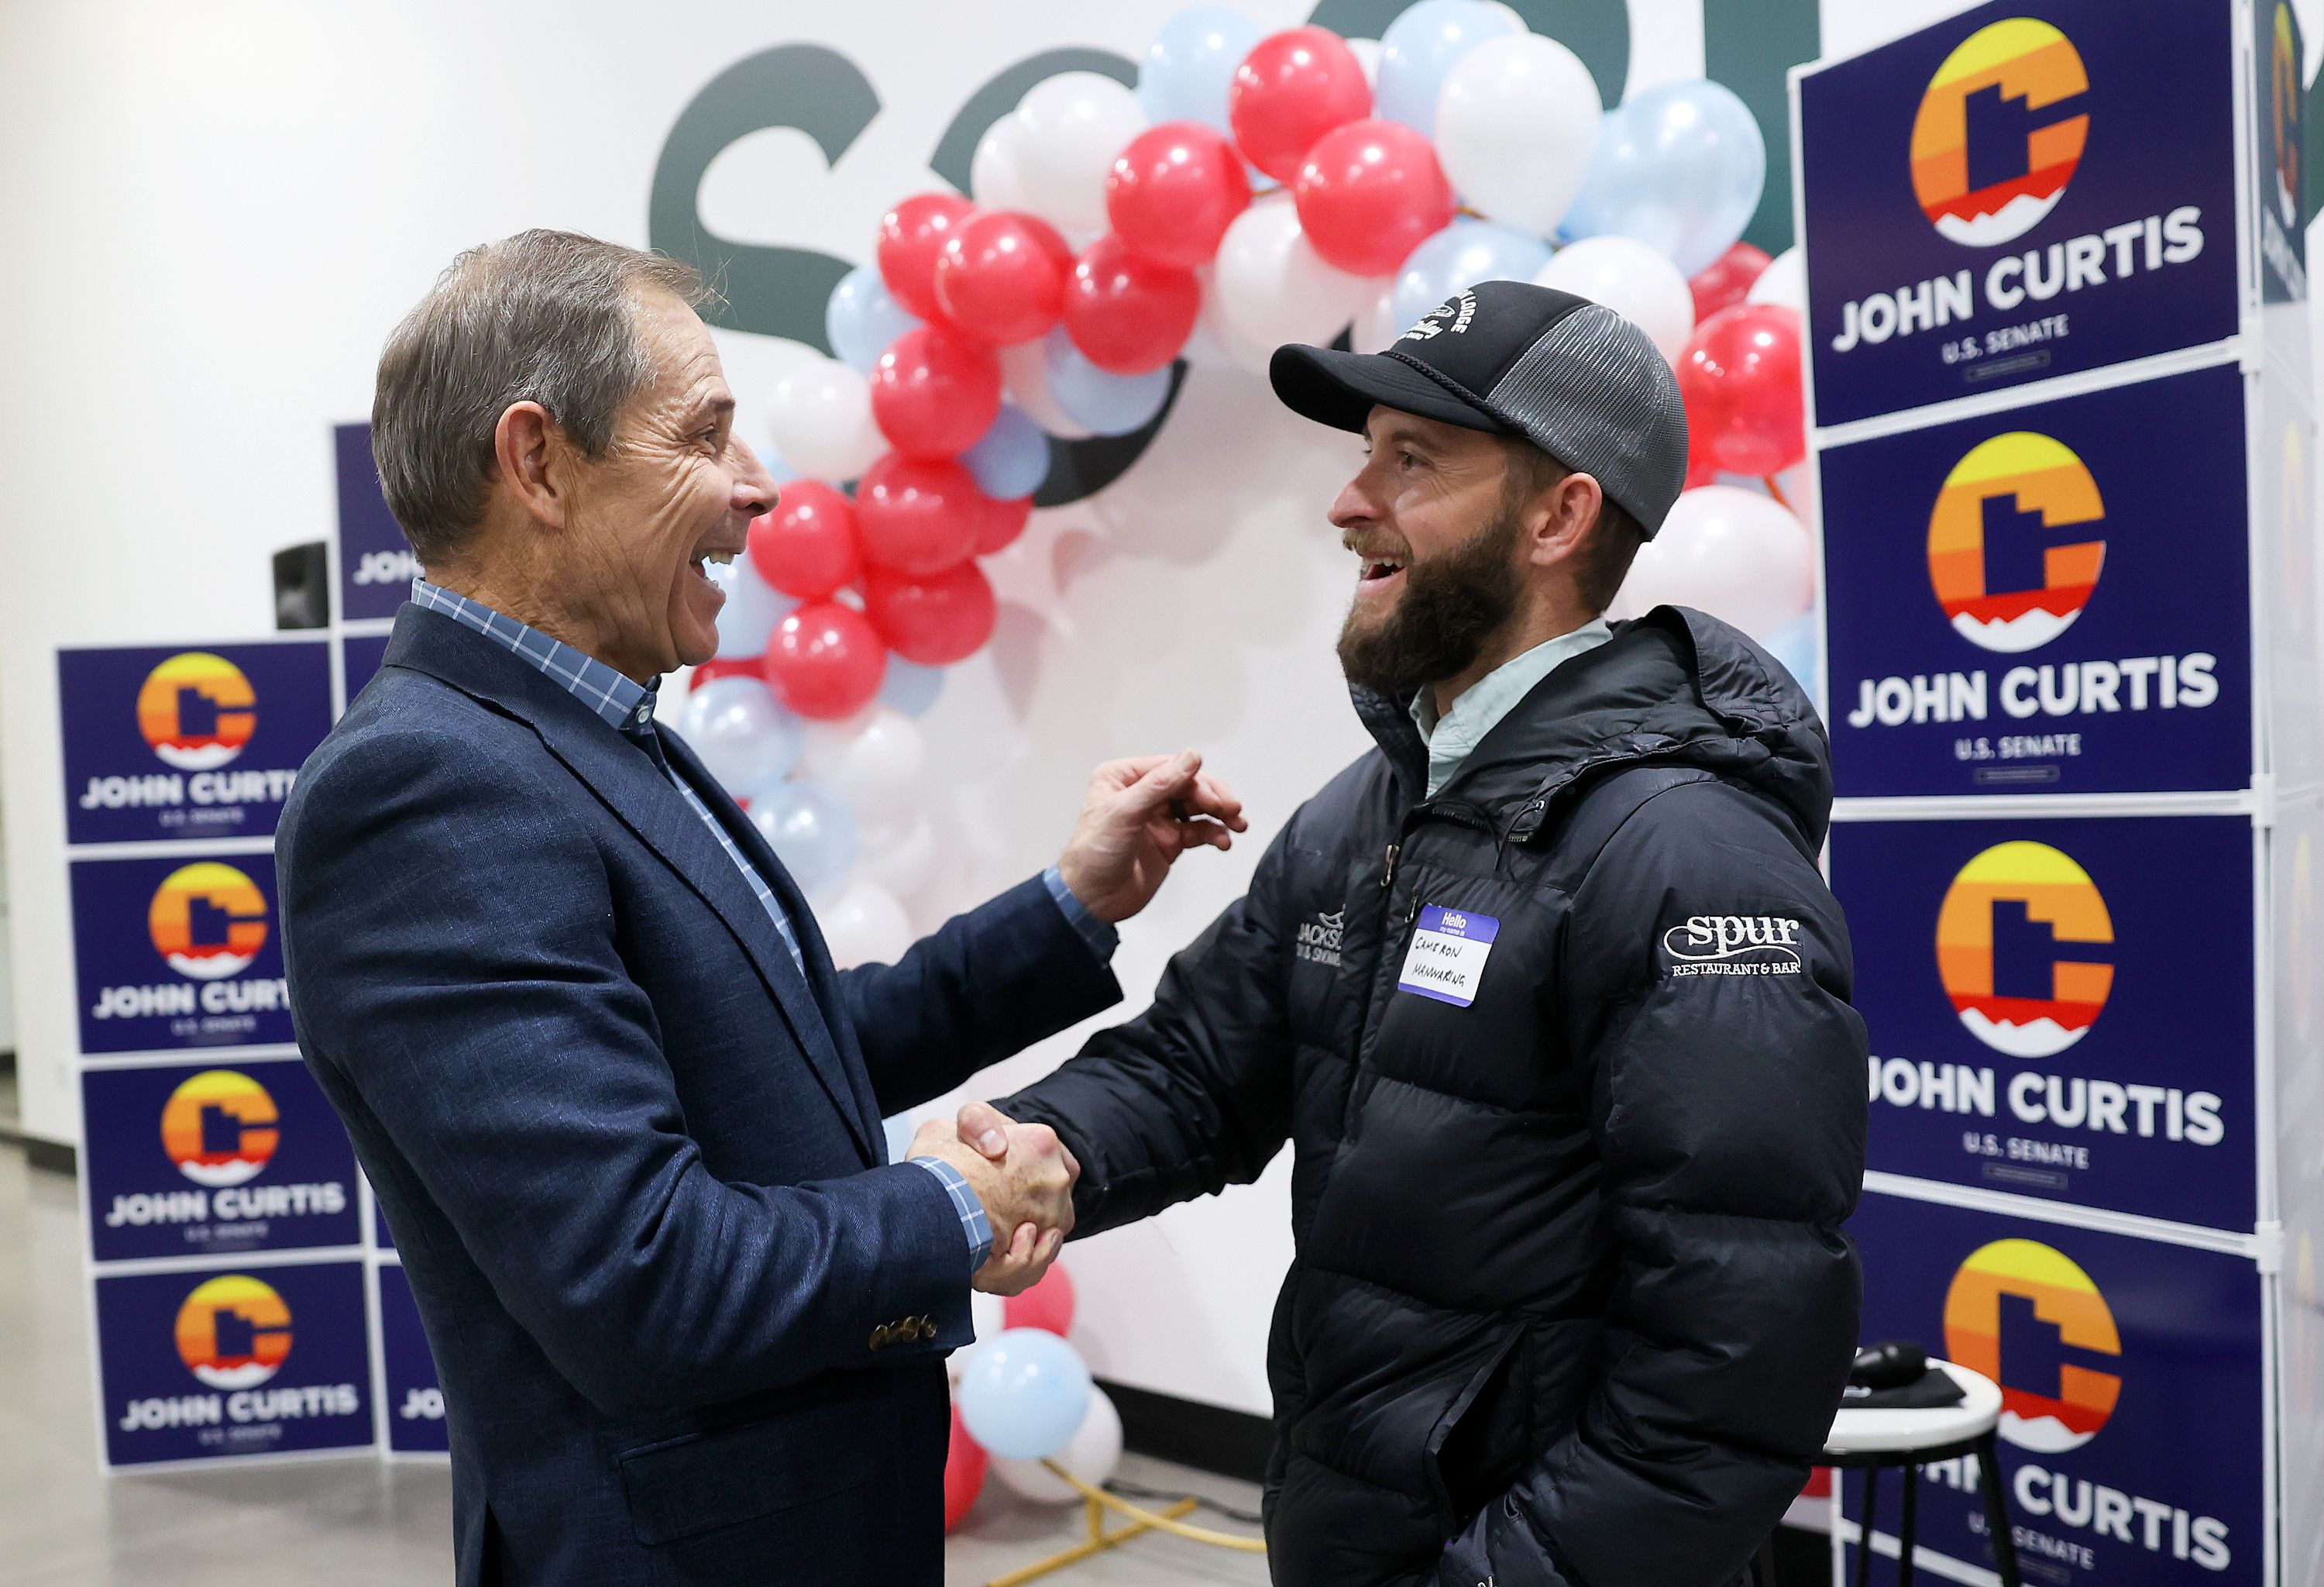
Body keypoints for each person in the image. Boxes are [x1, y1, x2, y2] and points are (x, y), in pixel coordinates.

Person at [275, 230, 1245, 1587]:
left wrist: (1068, 906)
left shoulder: (585, 729)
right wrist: (955, 1211)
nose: (758, 485)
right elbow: (642, 1276)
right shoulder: (426, 792)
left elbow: (776, 1053)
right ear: (537, 462)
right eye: (702, 434)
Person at [954, 281, 1870, 1587]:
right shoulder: (1372, 809)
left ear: (1559, 517)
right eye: (1365, 453)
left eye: (1413, 459)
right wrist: (1037, 1154)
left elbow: (1732, 1367)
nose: (1348, 501)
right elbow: (1201, 1067)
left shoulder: (1690, 857)